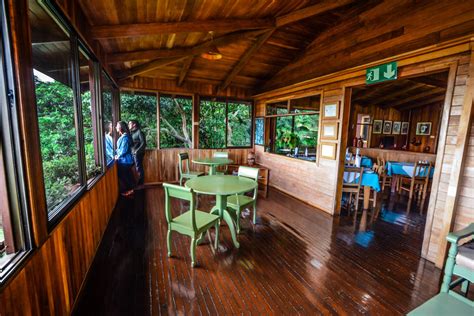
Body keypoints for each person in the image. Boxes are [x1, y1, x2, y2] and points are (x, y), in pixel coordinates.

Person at [115, 121, 135, 196]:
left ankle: (130, 190)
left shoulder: (125, 137)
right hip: (125, 160)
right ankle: (131, 190)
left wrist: (118, 156)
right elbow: (120, 149)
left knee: (124, 176)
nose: (116, 127)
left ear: (120, 128)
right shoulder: (124, 136)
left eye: (117, 125)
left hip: (126, 161)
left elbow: (124, 150)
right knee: (127, 176)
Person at [128, 120, 146, 186]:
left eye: (130, 124)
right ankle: (134, 182)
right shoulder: (130, 132)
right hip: (132, 153)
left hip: (138, 153)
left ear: (134, 124)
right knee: (130, 167)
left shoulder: (139, 132)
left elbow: (143, 143)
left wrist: (137, 151)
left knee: (138, 168)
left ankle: (141, 183)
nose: (128, 125)